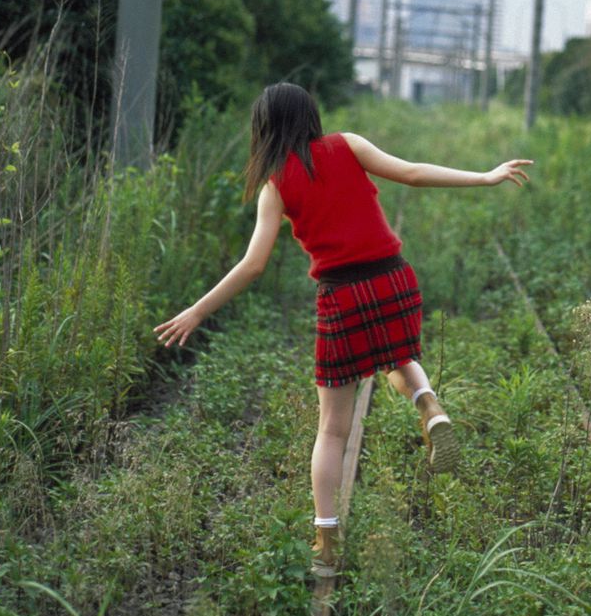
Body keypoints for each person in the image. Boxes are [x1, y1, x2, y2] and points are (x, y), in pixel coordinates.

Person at [154, 82, 532, 577]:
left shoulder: (275, 184)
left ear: (264, 129)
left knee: (332, 429)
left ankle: (326, 544)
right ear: (312, 115)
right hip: (393, 277)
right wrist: (485, 177)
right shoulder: (348, 144)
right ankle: (429, 404)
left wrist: (198, 311)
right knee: (397, 354)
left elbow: (253, 265)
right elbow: (414, 174)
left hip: (342, 295)